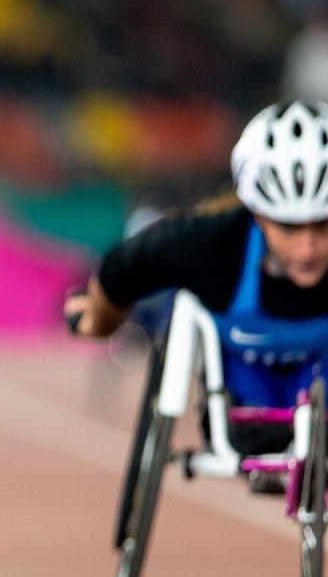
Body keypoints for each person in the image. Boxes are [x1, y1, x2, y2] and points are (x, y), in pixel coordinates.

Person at [64, 99, 328, 436]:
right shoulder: (212, 242)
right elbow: (122, 268)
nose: (307, 249)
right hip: (248, 384)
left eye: (322, 226)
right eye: (288, 228)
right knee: (252, 432)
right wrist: (99, 320)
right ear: (258, 215)